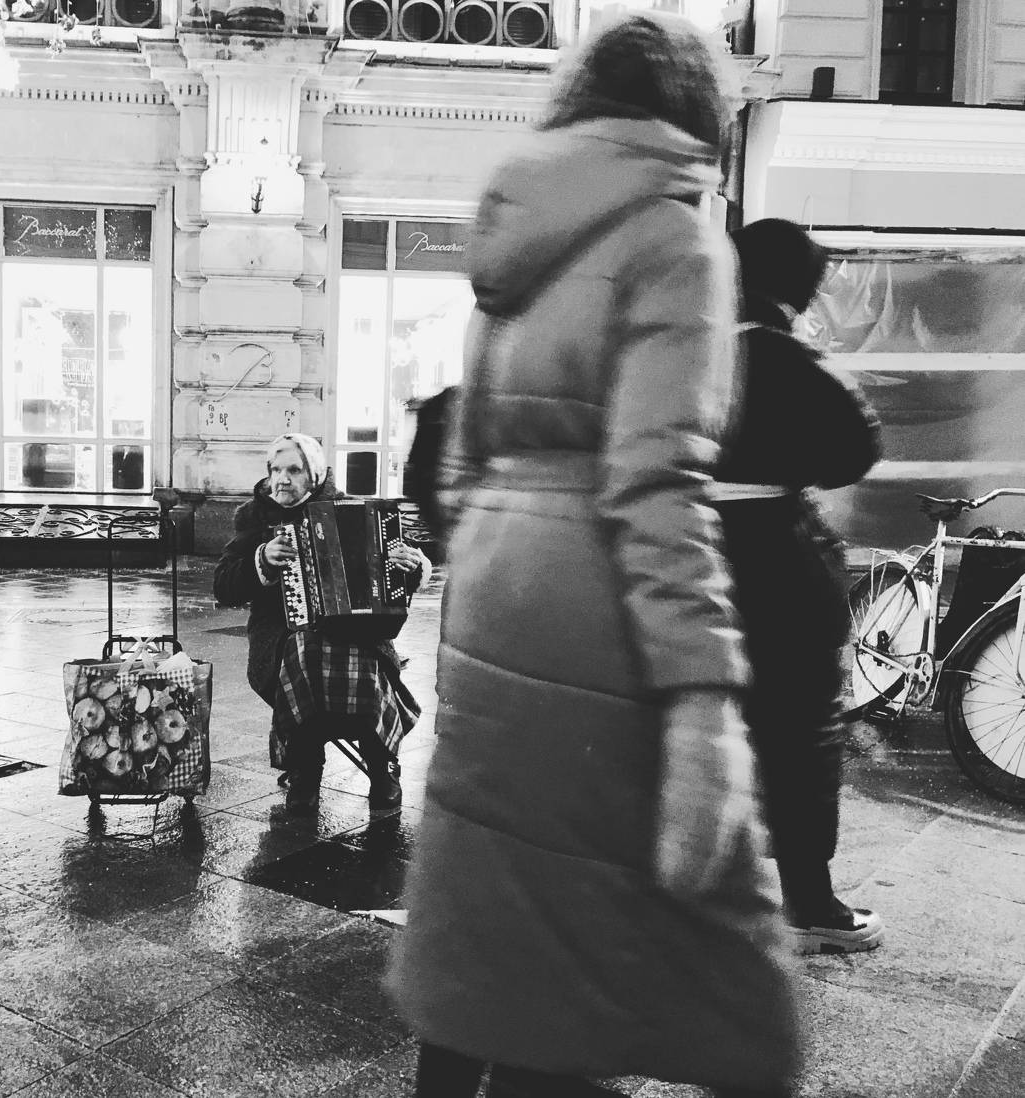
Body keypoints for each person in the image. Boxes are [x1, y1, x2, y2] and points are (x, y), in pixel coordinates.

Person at [387, 13, 799, 1098]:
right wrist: (702, 696)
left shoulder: (515, 237)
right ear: (699, 114)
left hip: (493, 595)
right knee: (580, 928)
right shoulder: (675, 238)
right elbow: (658, 483)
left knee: (492, 893)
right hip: (597, 602)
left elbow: (460, 463)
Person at [716, 218, 885, 955]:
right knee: (799, 736)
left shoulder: (690, 355)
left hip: (689, 559)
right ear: (800, 286)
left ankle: (696, 895)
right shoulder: (792, 359)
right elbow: (855, 448)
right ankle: (810, 905)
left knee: (698, 724)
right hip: (780, 570)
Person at [213, 433, 429, 812]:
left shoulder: (351, 509)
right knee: (303, 651)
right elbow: (223, 585)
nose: (281, 479)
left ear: (313, 475)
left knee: (365, 660)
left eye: (293, 470)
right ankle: (305, 768)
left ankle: (381, 765)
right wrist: (261, 560)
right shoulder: (254, 517)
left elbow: (398, 569)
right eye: (275, 470)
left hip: (358, 631)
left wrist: (409, 566)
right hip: (280, 635)